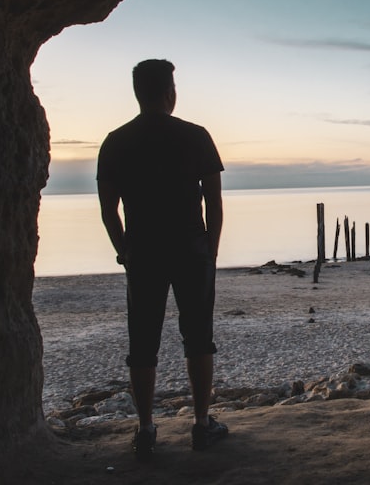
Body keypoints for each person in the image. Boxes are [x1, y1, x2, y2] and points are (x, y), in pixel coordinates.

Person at [97, 59, 228, 460]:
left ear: (138, 93)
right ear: (170, 92)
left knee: (143, 341)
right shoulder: (196, 136)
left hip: (144, 253)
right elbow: (214, 201)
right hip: (191, 249)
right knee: (199, 337)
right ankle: (203, 424)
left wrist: (124, 249)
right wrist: (212, 248)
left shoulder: (115, 141)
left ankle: (146, 428)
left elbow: (108, 210)